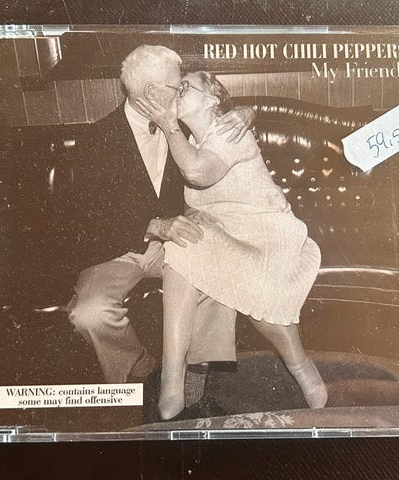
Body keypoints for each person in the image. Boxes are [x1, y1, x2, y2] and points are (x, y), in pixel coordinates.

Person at [136, 71, 328, 420]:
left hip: (268, 234)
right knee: (181, 243)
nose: (177, 90)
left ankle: (300, 364)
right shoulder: (186, 139)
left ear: (212, 99)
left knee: (265, 314)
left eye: (186, 86)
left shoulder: (229, 131)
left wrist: (175, 124)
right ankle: (172, 378)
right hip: (228, 233)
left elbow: (197, 172)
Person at [66, 46, 254, 389]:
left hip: (174, 245)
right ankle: (138, 365)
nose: (182, 91)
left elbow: (219, 111)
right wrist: (153, 226)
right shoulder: (96, 139)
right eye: (176, 86)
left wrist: (246, 112)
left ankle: (197, 369)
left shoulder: (181, 121)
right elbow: (85, 217)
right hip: (117, 249)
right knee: (89, 314)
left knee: (217, 274)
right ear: (151, 92)